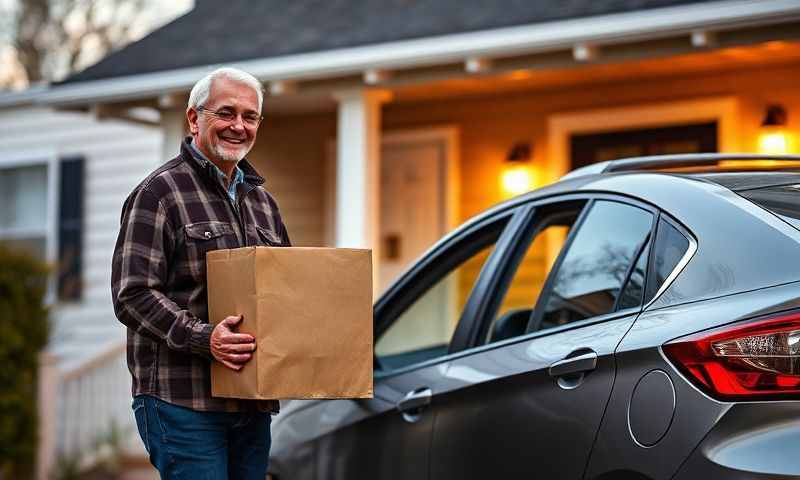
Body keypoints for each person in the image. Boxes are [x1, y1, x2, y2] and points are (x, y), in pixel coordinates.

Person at [111, 67, 290, 479]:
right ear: (194, 118)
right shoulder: (158, 194)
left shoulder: (264, 204)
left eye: (249, 117)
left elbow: (284, 290)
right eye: (226, 113)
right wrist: (204, 337)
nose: (238, 126)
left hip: (251, 402)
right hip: (182, 402)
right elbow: (132, 293)